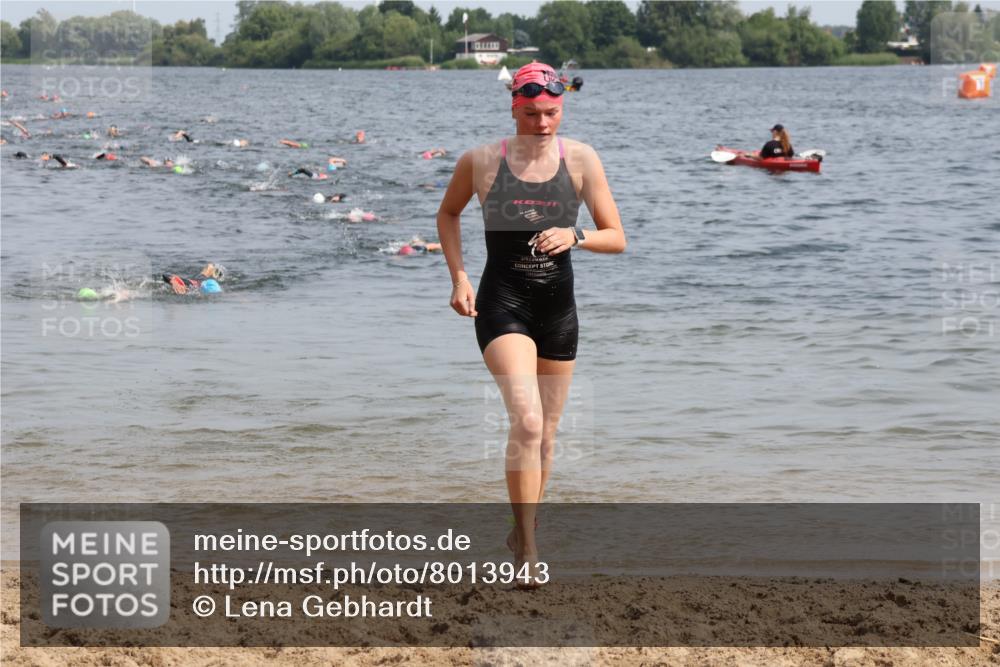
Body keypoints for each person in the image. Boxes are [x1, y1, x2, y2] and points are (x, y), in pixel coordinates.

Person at [436, 61, 626, 587]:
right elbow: (448, 214)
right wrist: (459, 278)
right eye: (531, 113)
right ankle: (529, 552)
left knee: (547, 436)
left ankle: (522, 532)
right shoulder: (481, 161)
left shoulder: (581, 159)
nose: (542, 123)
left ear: (561, 108)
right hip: (503, 303)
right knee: (528, 420)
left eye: (551, 113)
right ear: (513, 108)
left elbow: (616, 236)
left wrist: (576, 235)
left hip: (558, 311)